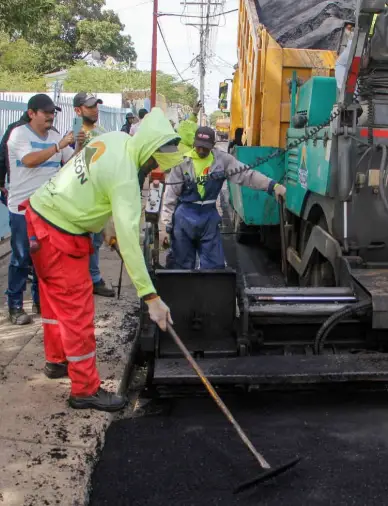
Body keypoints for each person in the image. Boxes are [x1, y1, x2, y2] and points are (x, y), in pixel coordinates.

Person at [23, 108, 178, 412]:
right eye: (154, 162)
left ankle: (56, 362)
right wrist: (151, 298)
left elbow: (95, 184)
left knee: (53, 302)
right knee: (78, 314)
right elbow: (132, 246)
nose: (153, 168)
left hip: (40, 214)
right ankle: (85, 390)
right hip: (61, 236)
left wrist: (107, 228)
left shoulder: (117, 139)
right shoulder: (126, 181)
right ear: (147, 151)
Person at [160, 126, 286, 270]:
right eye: (199, 147)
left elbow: (246, 175)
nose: (201, 151)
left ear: (213, 146)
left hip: (209, 218)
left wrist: (272, 186)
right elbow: (170, 196)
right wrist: (165, 226)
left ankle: (212, 291)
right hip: (184, 219)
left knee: (214, 267)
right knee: (180, 265)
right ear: (194, 143)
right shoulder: (182, 163)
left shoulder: (223, 161)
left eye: (206, 148)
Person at [6, 94, 82, 325]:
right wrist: (58, 146)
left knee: (46, 259)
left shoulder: (56, 136)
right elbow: (29, 160)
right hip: (23, 209)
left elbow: (72, 163)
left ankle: (41, 302)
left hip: (48, 209)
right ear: (32, 113)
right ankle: (16, 306)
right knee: (21, 257)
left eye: (53, 112)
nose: (51, 116)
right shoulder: (19, 134)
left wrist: (79, 145)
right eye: (46, 112)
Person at [72, 92, 115, 298]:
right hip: (84, 195)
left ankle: (93, 278)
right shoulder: (75, 134)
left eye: (96, 106)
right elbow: (72, 165)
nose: (95, 110)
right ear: (78, 110)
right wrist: (78, 145)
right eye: (90, 107)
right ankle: (89, 280)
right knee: (84, 241)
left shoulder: (101, 131)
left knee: (96, 240)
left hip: (100, 193)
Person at [0, 112, 30, 206]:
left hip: (16, 183)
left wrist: (1, 183)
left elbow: (2, 156)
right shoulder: (50, 131)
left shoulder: (13, 128)